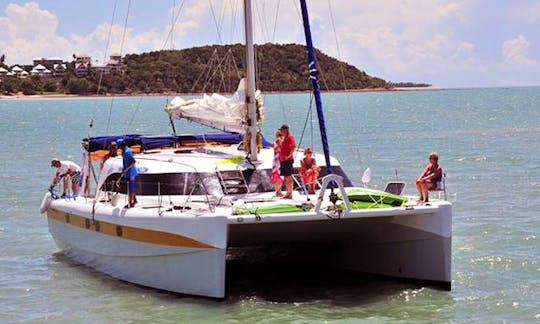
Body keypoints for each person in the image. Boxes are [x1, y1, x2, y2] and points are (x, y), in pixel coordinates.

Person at [117, 138, 138, 208]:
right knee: (130, 187)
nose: (118, 148)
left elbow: (133, 161)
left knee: (130, 188)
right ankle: (134, 200)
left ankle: (130, 202)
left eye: (119, 146)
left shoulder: (127, 152)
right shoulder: (124, 151)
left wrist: (126, 169)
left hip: (131, 172)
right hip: (127, 172)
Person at [278, 124, 296, 199]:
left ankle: (290, 193)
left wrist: (288, 155)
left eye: (282, 130)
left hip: (287, 160)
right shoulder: (284, 138)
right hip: (283, 160)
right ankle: (288, 192)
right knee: (286, 176)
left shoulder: (290, 137)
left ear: (285, 130)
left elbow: (294, 146)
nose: (281, 132)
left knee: (288, 176)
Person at [271, 129, 284, 197]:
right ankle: (277, 191)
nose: (280, 136)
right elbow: (275, 149)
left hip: (281, 161)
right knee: (276, 176)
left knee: (281, 177)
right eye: (279, 135)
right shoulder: (275, 142)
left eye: (281, 135)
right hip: (276, 162)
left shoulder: (283, 142)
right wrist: (279, 143)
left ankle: (279, 191)